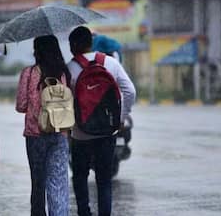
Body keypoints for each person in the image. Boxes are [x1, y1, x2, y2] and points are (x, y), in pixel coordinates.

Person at [68, 26, 136, 216]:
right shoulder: (111, 63)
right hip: (108, 131)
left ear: (74, 46)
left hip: (80, 133)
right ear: (91, 43)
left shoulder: (70, 68)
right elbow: (130, 91)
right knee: (104, 180)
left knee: (80, 177)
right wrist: (121, 118)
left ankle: (84, 213)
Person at [16, 35, 71, 216]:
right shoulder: (63, 73)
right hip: (60, 133)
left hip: (35, 135)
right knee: (58, 183)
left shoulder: (29, 73)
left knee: (38, 184)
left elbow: (21, 105)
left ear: (37, 51)